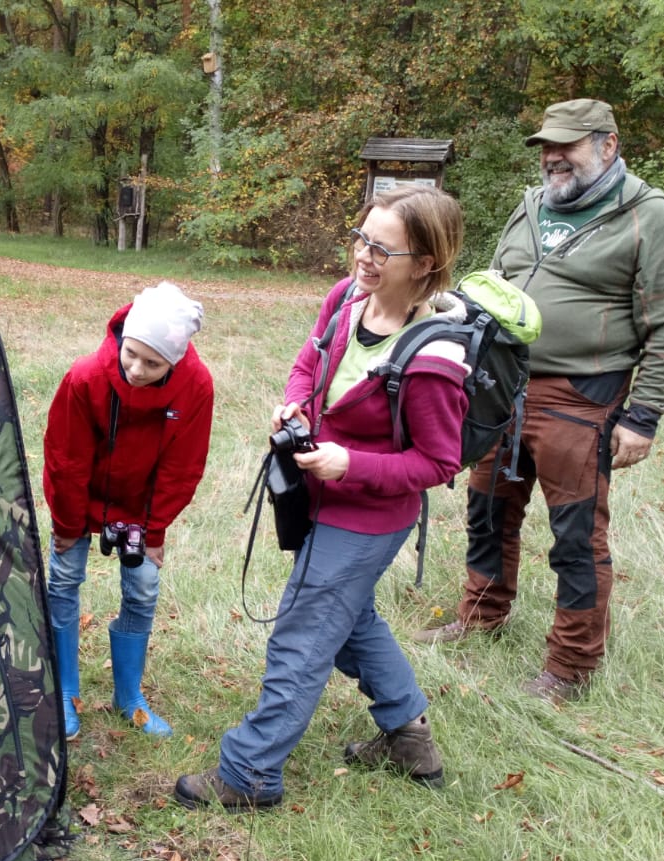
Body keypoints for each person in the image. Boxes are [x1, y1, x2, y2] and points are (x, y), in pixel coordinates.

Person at [175, 184, 470, 811]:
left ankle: (251, 774)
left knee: (303, 634)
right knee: (350, 617)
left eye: (382, 249)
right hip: (316, 496)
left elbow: (438, 462)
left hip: (367, 518)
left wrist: (349, 463)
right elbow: (310, 363)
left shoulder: (434, 357)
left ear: (424, 263)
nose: (364, 257)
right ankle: (409, 736)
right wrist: (294, 400)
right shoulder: (346, 299)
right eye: (362, 238)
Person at [413, 98, 664, 704]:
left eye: (567, 145)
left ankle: (571, 664)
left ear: (608, 146)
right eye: (547, 145)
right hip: (502, 387)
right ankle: (481, 615)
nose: (552, 157)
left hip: (582, 396)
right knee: (487, 508)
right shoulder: (532, 205)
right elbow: (491, 287)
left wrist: (642, 416)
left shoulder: (648, 216)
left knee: (575, 535)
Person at [43, 282, 213, 740]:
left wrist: (154, 529)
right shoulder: (86, 378)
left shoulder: (196, 387)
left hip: (141, 506)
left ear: (174, 360)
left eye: (153, 363)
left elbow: (183, 467)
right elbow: (66, 460)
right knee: (63, 582)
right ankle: (64, 692)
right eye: (131, 354)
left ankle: (128, 696)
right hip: (81, 497)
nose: (137, 370)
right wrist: (67, 524)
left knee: (142, 590)